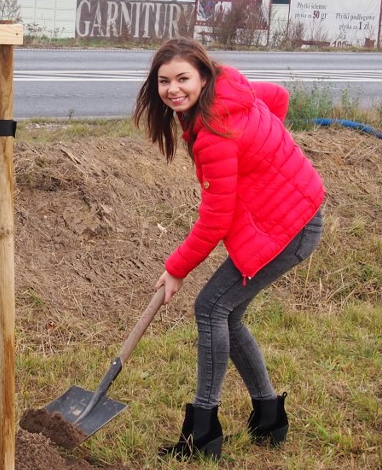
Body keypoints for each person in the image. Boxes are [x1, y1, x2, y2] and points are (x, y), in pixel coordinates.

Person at [133, 38, 325, 460]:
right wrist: (263, 162)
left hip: (290, 227)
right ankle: (269, 416)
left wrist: (176, 269)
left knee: (210, 308)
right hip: (292, 212)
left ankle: (202, 434)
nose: (173, 89)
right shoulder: (233, 87)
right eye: (164, 81)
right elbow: (278, 97)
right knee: (227, 311)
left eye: (183, 79)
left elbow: (214, 222)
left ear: (203, 77)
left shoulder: (215, 136)